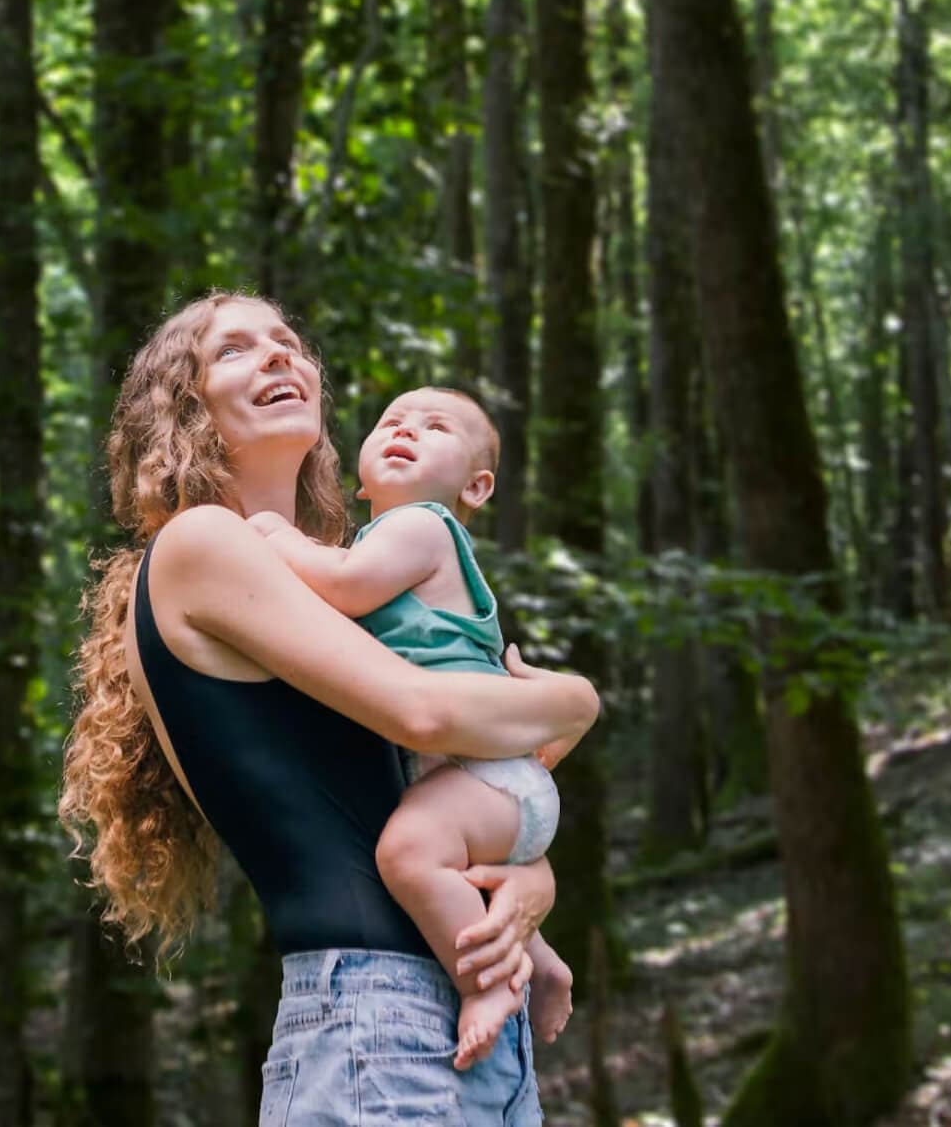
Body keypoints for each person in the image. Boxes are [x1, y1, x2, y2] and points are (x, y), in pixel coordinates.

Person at [59, 293, 599, 1125]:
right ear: (185, 409)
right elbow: (423, 715)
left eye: (286, 342)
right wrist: (576, 698)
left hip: (450, 1018)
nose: (278, 355)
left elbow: (432, 788)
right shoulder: (203, 545)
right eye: (235, 351)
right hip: (378, 1028)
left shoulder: (338, 581)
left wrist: (529, 878)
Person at [245, 386, 575, 1070]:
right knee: (450, 864)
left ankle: (484, 986)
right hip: (482, 782)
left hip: (490, 777)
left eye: (435, 427)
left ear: (477, 487)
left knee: (408, 854)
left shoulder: (422, 527)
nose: (407, 430)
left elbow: (342, 587)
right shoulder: (394, 541)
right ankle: (539, 963)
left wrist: (277, 538)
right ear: (361, 481)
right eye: (392, 422)